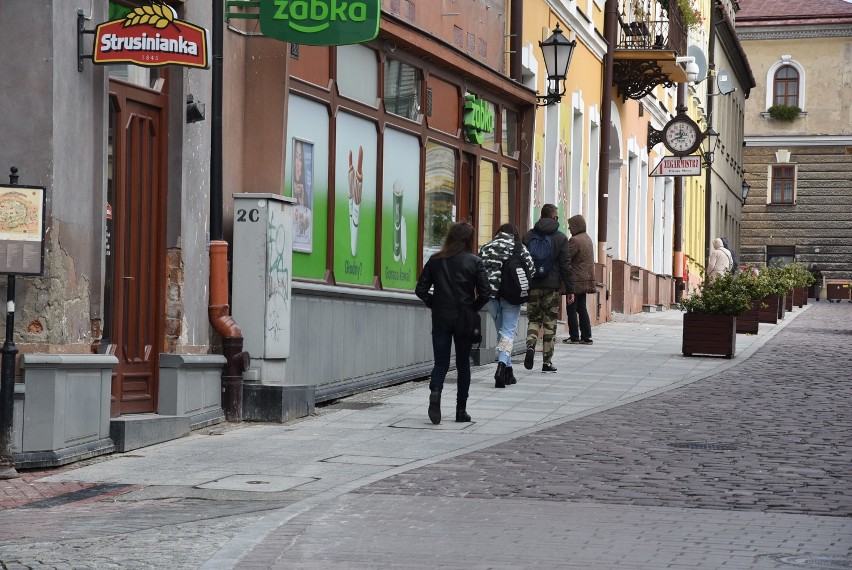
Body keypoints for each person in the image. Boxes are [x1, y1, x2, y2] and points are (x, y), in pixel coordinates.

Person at [416, 222, 490, 425]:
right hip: (464, 319)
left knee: (440, 362)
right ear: (469, 240)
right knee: (463, 363)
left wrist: (434, 304)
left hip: (441, 317)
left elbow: (420, 290)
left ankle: (436, 391)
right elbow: (486, 292)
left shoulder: (435, 260)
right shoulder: (475, 262)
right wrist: (472, 308)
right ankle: (461, 410)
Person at [479, 223, 535, 388]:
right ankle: (501, 367)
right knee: (508, 333)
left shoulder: (486, 247)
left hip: (491, 296)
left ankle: (508, 371)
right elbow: (531, 270)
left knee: (501, 333)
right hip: (511, 296)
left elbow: (477, 269)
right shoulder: (519, 248)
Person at [522, 204, 574, 373]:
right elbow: (566, 266)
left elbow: (522, 262)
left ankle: (530, 345)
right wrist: (570, 289)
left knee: (534, 319)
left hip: (533, 285)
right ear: (553, 217)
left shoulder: (529, 236)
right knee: (550, 322)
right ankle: (547, 362)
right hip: (552, 287)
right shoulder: (560, 238)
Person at [562, 214, 595, 345]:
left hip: (574, 281)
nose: (569, 228)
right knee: (582, 308)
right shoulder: (587, 239)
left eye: (570, 225)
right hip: (585, 280)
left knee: (571, 308)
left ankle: (574, 336)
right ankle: (586, 336)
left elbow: (566, 258)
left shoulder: (574, 241)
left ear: (576, 226)